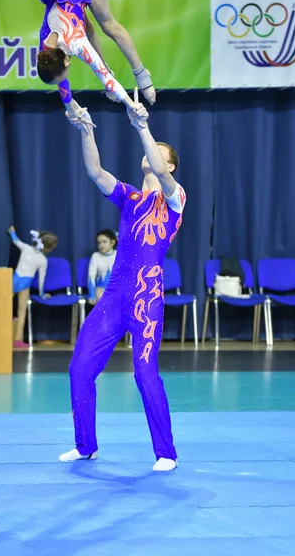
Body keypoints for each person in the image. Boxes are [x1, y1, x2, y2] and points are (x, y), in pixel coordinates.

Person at [59, 91, 186, 472]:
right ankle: (86, 445)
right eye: (150, 148)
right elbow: (96, 172)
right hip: (115, 295)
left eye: (159, 151)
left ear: (171, 166)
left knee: (145, 374)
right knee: (80, 368)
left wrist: (143, 126)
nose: (151, 154)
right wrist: (86, 132)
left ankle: (166, 453)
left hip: (146, 298)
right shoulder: (130, 197)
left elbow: (161, 175)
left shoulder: (175, 199)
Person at [37, 0, 155, 119]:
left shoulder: (78, 44)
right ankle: (106, 66)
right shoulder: (46, 51)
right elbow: (58, 76)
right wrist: (71, 110)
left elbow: (105, 79)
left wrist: (131, 105)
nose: (63, 82)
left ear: (67, 62)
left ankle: (141, 73)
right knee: (88, 28)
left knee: (109, 27)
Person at [8, 226, 58, 348]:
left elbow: (16, 241)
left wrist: (12, 232)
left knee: (5, 306)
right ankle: (18, 339)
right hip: (25, 284)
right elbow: (41, 279)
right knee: (22, 312)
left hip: (14, 279)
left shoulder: (26, 248)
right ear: (48, 248)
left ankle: (2, 333)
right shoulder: (43, 260)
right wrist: (42, 293)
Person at [88, 229, 118, 305]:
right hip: (101, 288)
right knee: (103, 296)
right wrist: (91, 295)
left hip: (117, 288)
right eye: (99, 243)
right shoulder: (96, 256)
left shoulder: (118, 255)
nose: (101, 245)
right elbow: (91, 276)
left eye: (104, 242)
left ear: (112, 242)